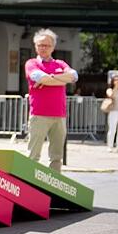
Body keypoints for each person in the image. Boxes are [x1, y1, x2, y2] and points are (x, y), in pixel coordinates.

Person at [25, 28, 78, 172]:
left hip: (59, 115)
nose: (43, 48)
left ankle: (55, 189)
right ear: (35, 46)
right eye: (40, 45)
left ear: (53, 47)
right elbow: (40, 78)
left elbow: (74, 76)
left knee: (56, 157)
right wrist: (61, 79)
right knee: (33, 155)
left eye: (46, 45)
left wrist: (50, 79)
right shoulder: (31, 63)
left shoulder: (61, 63)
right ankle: (30, 187)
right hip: (39, 115)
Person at [105, 73, 118, 152]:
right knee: (112, 129)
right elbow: (111, 95)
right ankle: (110, 146)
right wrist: (116, 86)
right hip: (113, 111)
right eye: (115, 80)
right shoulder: (110, 90)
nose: (117, 81)